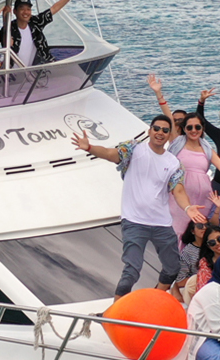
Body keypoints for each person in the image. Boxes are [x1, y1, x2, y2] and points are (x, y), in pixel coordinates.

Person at [72, 118, 205, 297]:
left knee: (173, 267)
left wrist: (188, 207)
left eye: (165, 130)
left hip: (161, 223)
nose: (160, 133)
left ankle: (153, 298)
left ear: (169, 135)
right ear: (149, 131)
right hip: (134, 221)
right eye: (156, 128)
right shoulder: (134, 149)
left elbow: (178, 190)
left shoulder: (174, 163)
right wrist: (89, 147)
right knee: (132, 271)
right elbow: (110, 154)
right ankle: (117, 308)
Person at [4, 0, 87, 67]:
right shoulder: (10, 28)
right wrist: (4, 16)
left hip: (35, 69)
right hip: (13, 70)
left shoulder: (35, 23)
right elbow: (1, 41)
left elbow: (54, 8)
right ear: (15, 11)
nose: (26, 12)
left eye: (28, 9)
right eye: (22, 9)